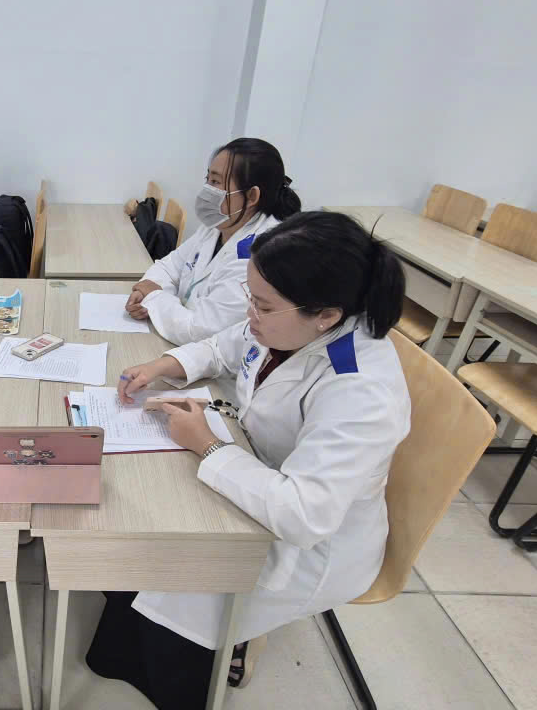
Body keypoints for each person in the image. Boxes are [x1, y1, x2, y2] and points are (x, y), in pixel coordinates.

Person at [88, 211, 410, 710]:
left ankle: (182, 675)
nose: (250, 313)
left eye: (262, 304)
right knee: (136, 525)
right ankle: (131, 645)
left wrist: (208, 446)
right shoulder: (295, 326)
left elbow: (304, 515)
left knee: (177, 577)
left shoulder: (361, 391)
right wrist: (163, 364)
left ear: (326, 314)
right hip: (254, 472)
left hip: (309, 543)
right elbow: (225, 344)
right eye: (250, 296)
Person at [125, 138, 301, 346]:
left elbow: (200, 331)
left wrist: (155, 297)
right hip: (174, 342)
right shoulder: (219, 224)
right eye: (208, 179)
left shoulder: (261, 255)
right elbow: (168, 266)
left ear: (252, 196)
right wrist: (148, 297)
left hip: (212, 358)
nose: (207, 190)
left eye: (216, 182)